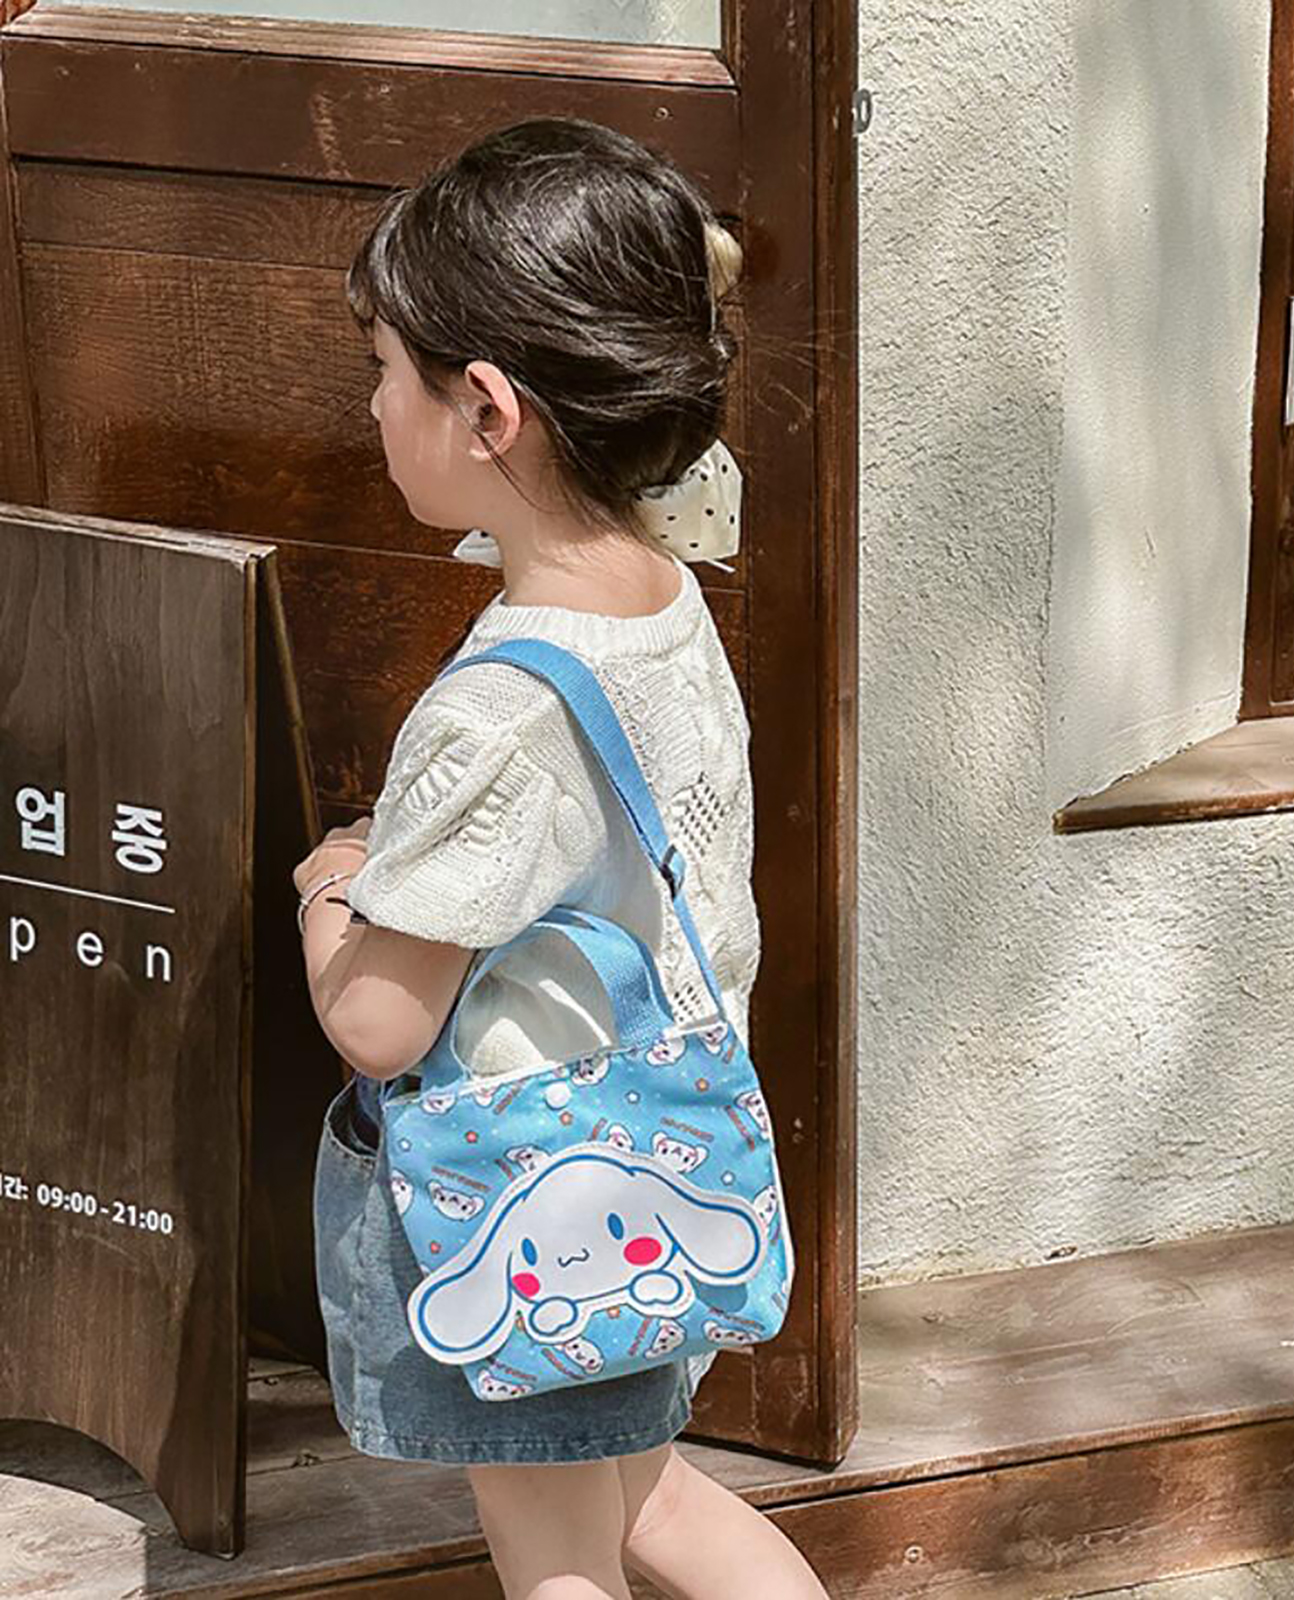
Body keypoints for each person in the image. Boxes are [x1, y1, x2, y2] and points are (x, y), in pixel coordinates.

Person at [290, 116, 829, 1600]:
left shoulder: (501, 710)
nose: (370, 405)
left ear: (486, 408)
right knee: (653, 1501)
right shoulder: (661, 589)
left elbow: (380, 1020)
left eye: (383, 370)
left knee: (558, 1560)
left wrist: (331, 884)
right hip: (653, 1161)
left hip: (525, 1196)